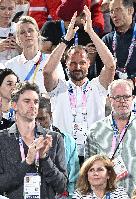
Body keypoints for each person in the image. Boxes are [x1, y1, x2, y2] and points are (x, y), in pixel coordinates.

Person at [43, 5, 115, 163]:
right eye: (73, 63)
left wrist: (91, 32)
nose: (77, 67)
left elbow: (110, 65)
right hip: (64, 155)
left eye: (82, 62)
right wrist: (65, 40)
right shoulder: (58, 88)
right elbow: (47, 71)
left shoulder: (98, 86)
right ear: (66, 64)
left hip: (93, 155)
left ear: (89, 63)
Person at [0, 82, 67, 199]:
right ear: (14, 105)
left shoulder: (54, 138)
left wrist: (44, 158)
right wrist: (27, 162)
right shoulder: (2, 140)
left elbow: (62, 186)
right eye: (27, 101)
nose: (33, 106)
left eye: (36, 102)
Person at [85, 79, 136, 196]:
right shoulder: (95, 131)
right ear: (109, 99)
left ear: (133, 98)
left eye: (126, 97)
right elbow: (88, 170)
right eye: (117, 97)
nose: (122, 101)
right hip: (106, 198)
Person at [36, 96, 80, 199]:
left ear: (50, 116)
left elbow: (73, 179)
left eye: (41, 119)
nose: (37, 124)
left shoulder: (67, 141)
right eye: (34, 119)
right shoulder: (21, 139)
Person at [5, 16, 65, 94]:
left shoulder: (52, 61)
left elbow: (62, 91)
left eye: (31, 30)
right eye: (22, 32)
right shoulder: (10, 65)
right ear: (17, 38)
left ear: (38, 33)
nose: (27, 34)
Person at [98, 0, 136, 79]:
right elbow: (102, 72)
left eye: (118, 10)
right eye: (111, 11)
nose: (114, 15)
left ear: (130, 10)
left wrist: (132, 81)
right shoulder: (107, 40)